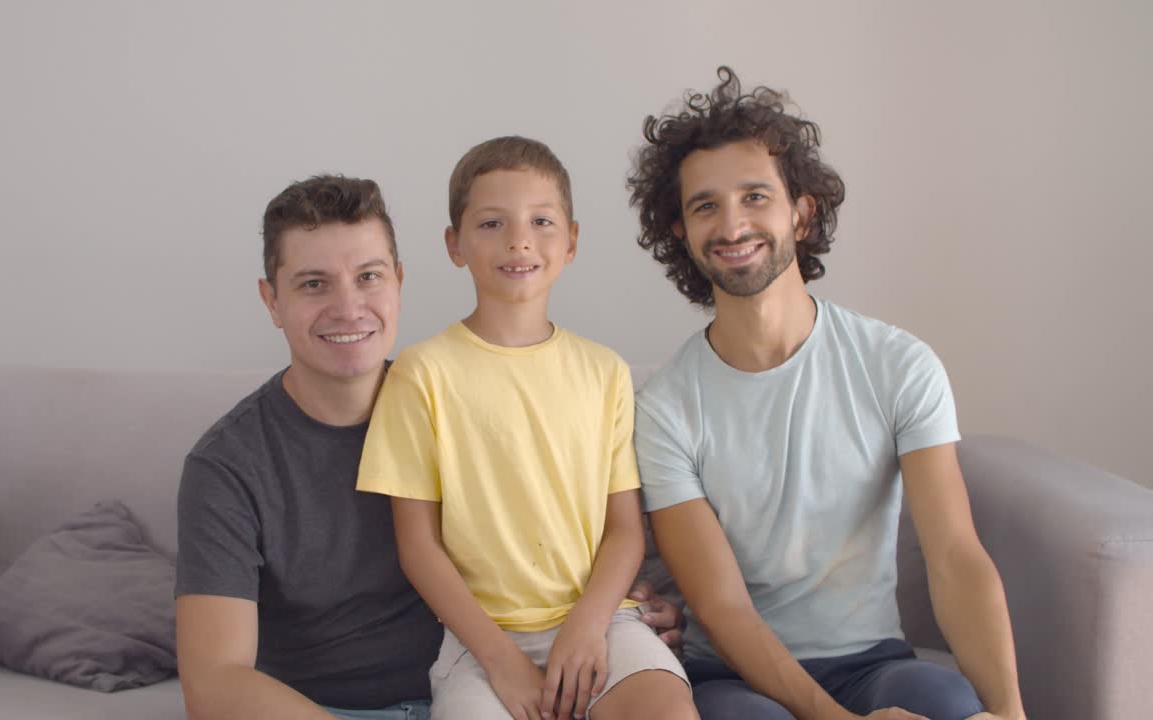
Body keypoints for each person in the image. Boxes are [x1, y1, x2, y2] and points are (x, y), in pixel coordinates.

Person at [174, 174, 679, 720]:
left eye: (368, 277)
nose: (348, 307)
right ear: (271, 300)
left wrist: (629, 614)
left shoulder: (458, 396)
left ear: (398, 281)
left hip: (505, 685)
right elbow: (215, 682)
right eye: (313, 284)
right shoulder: (228, 465)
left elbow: (567, 531)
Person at [626, 67, 1027, 720]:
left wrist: (1009, 711)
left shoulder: (898, 364)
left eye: (755, 196)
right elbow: (723, 607)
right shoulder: (666, 408)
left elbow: (955, 557)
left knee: (951, 708)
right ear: (679, 230)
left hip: (875, 663)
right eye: (705, 206)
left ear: (802, 212)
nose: (731, 225)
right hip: (730, 675)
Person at [356, 137, 698, 720]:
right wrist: (502, 659)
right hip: (480, 642)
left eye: (541, 221)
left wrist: (589, 625)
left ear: (571, 241)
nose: (519, 240)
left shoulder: (604, 371)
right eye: (492, 223)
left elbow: (625, 531)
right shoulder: (422, 373)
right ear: (454, 244)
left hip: (603, 623)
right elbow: (418, 544)